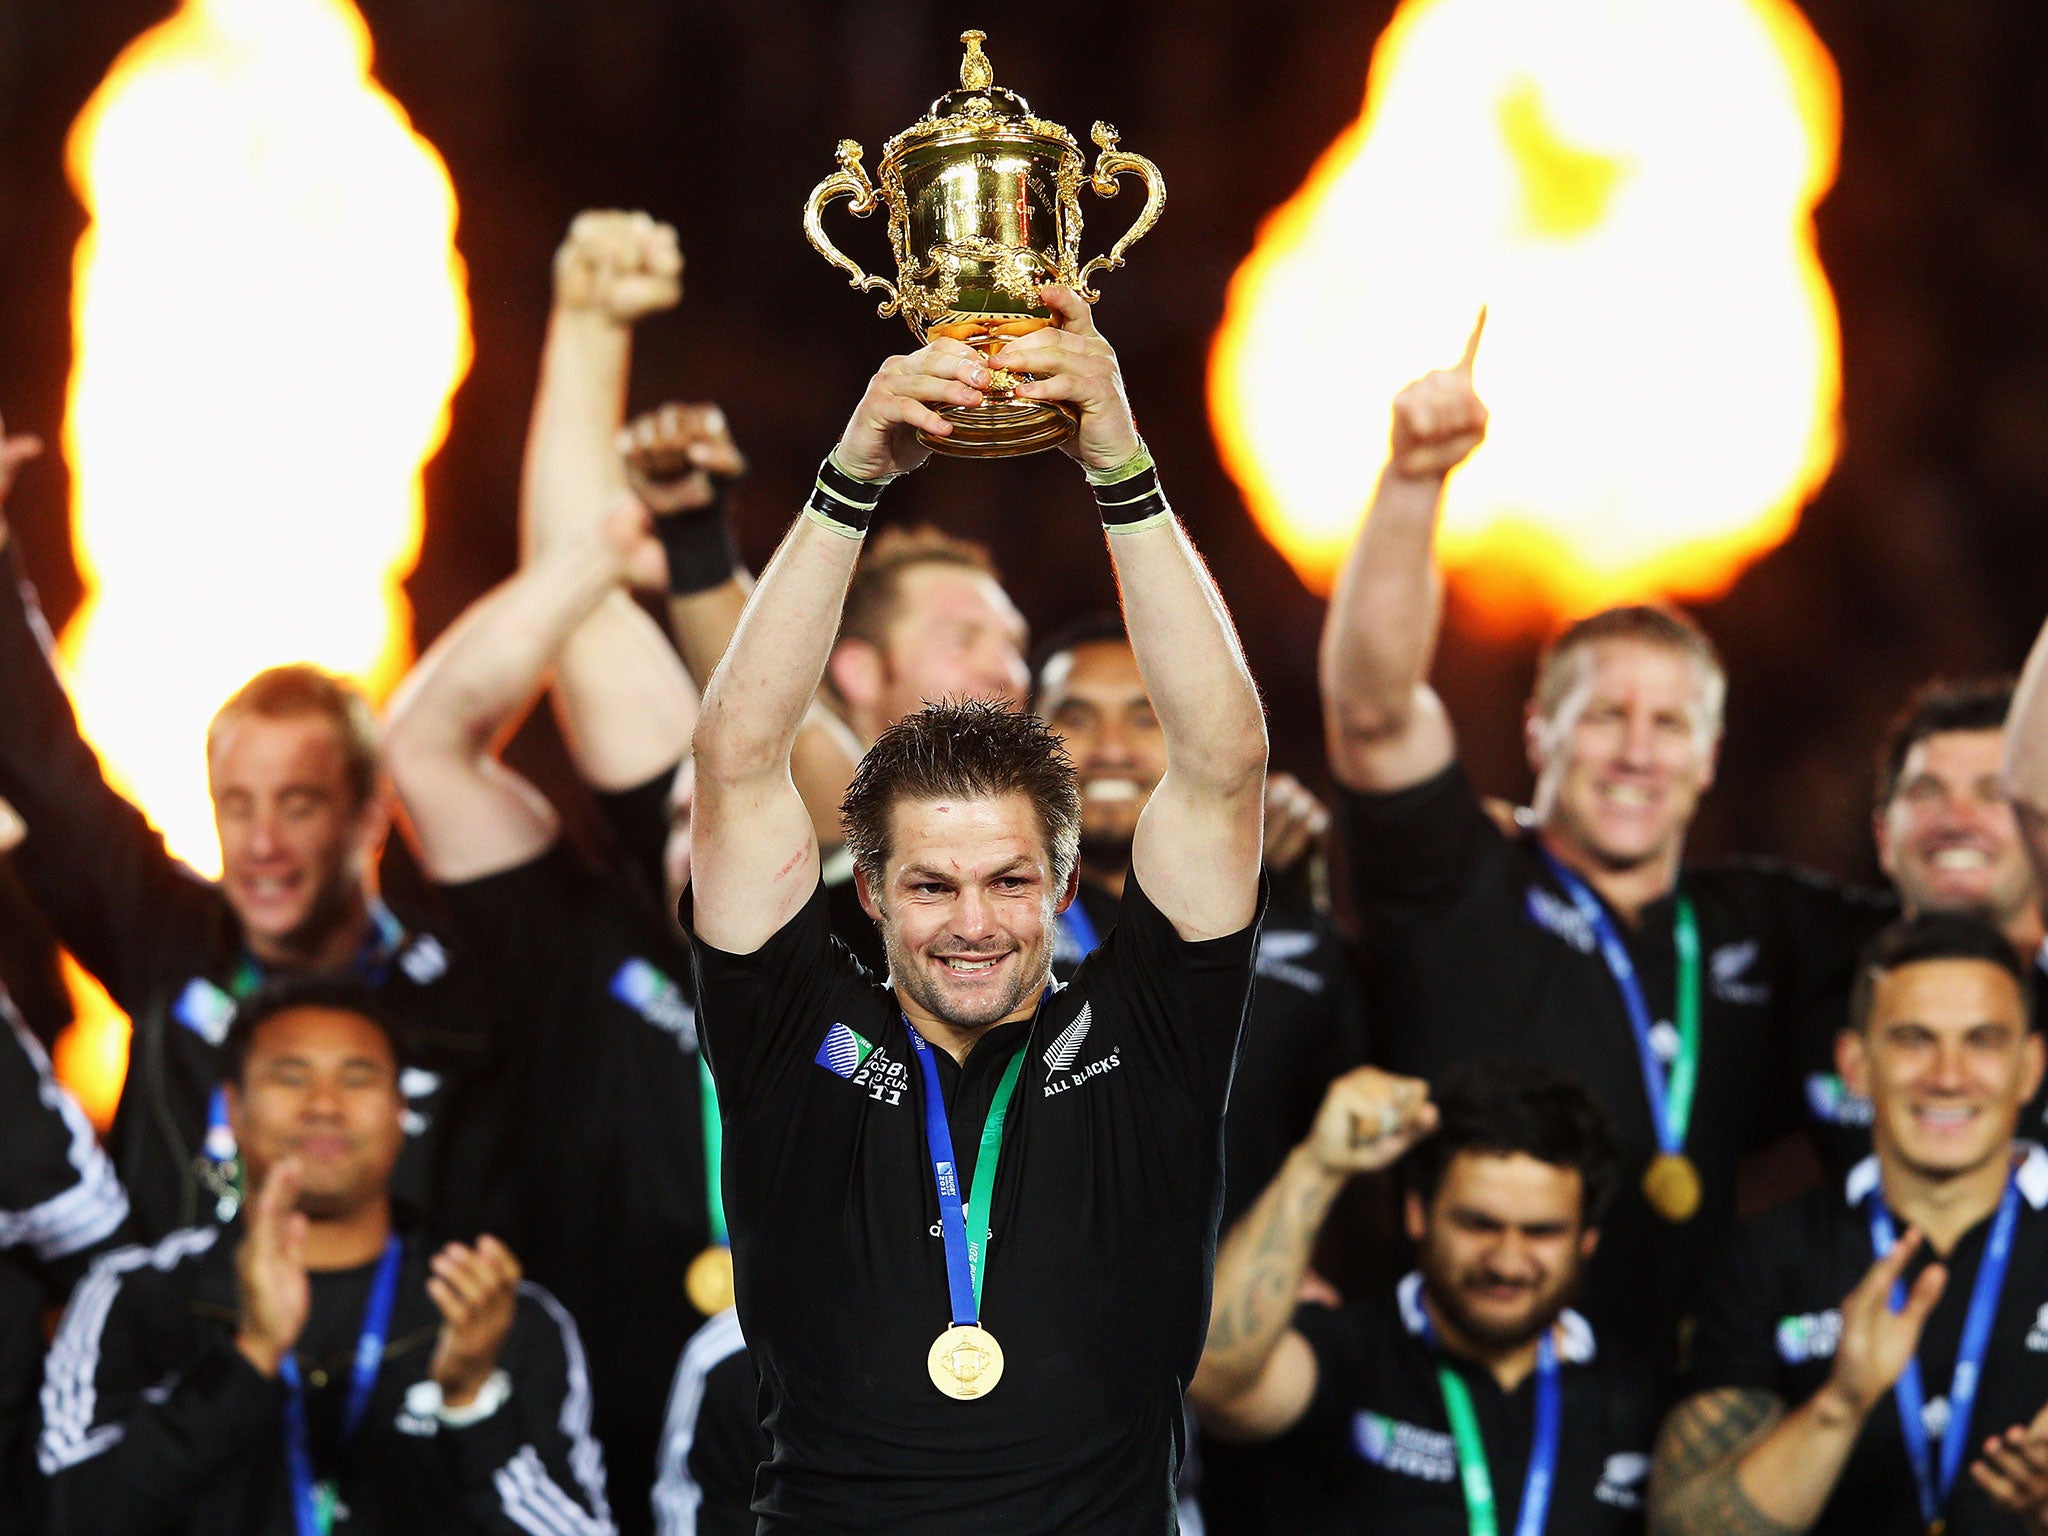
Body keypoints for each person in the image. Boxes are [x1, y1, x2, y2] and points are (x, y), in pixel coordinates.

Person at [686, 283, 1268, 1529]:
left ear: (1063, 886)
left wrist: (1116, 459)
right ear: (875, 897)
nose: (971, 922)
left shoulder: (1150, 1034)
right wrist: (850, 477)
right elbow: (736, 757)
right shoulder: (794, 1034)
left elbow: (1221, 761)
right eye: (932, 886)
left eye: (1008, 882)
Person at [1320, 329, 1880, 1369]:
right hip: (1439, 1405)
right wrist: (1409, 483)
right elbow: (1371, 712)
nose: (1633, 750)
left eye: (1667, 725)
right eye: (1602, 715)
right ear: (1539, 732)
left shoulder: (1760, 926)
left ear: (1709, 756)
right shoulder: (1457, 881)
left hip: (1662, 1427)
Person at [384, 208, 742, 1536]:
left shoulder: (909, 943)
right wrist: (591, 333)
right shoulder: (599, 944)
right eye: (675, 813)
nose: (699, 824)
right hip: (577, 1474)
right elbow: (428, 743)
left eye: (735, 804)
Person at [0, 415, 500, 1245]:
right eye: (236, 805)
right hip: (178, 1372)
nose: (261, 843)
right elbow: (46, 771)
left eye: (297, 805)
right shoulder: (167, 933)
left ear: (370, 814)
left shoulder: (465, 1003)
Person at [36, 978, 612, 1535]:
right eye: (291, 1076)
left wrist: (472, 1406)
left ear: (401, 1112)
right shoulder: (132, 1296)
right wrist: (250, 1356)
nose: (324, 1106)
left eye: (358, 1078)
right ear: (231, 1108)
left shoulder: (495, 1313)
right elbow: (66, 1517)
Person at [1651, 913, 2048, 1535]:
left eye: (1983, 1041)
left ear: (2030, 1067)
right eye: (1914, 1039)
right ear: (1855, 1064)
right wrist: (1840, 1405)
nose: (1948, 1076)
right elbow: (1686, 1529)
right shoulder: (1766, 1254)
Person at [1799, 679, 2047, 1173]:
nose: (1956, 819)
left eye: (1992, 792)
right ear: (1883, 836)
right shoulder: (1820, 999)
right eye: (1927, 792)